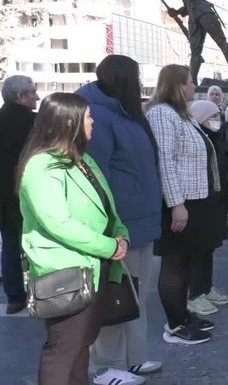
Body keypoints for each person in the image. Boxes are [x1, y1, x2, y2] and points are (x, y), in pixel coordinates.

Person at [18, 93, 130, 385]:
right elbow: (58, 223)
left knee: (82, 344)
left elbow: (107, 204)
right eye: (88, 116)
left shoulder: (82, 159)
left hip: (96, 264)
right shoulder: (42, 166)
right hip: (67, 272)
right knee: (64, 349)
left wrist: (120, 233)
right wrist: (109, 246)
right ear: (69, 121)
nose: (93, 122)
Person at [76, 56, 164, 383]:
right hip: (118, 225)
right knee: (114, 298)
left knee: (137, 296)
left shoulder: (128, 114)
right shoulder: (97, 116)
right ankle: (104, 367)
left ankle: (134, 359)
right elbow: (96, 174)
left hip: (141, 220)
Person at [146, 65, 218, 345]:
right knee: (175, 262)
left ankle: (183, 314)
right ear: (178, 85)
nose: (194, 86)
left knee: (187, 260)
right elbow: (166, 161)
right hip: (180, 201)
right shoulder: (162, 114)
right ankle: (175, 325)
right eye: (190, 82)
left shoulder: (181, 114)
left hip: (194, 198)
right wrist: (176, 204)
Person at [186, 100, 228, 316]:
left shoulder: (215, 137)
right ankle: (195, 294)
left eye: (218, 116)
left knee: (210, 246)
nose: (217, 121)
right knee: (198, 249)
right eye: (212, 117)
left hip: (216, 197)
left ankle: (206, 286)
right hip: (201, 199)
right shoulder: (197, 138)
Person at [0, 75, 38, 316]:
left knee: (11, 245)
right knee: (36, 243)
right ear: (21, 96)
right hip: (30, 191)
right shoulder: (35, 123)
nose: (37, 96)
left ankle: (15, 296)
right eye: (33, 92)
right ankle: (40, 293)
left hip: (3, 196)